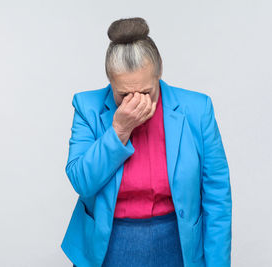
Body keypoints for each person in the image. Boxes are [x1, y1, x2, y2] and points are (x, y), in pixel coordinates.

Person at [61, 17, 232, 267]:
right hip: (106, 245)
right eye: (124, 95)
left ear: (159, 74)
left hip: (177, 243)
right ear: (110, 81)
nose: (135, 103)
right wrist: (119, 129)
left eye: (145, 92)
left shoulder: (196, 109)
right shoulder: (88, 107)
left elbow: (217, 196)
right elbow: (81, 181)